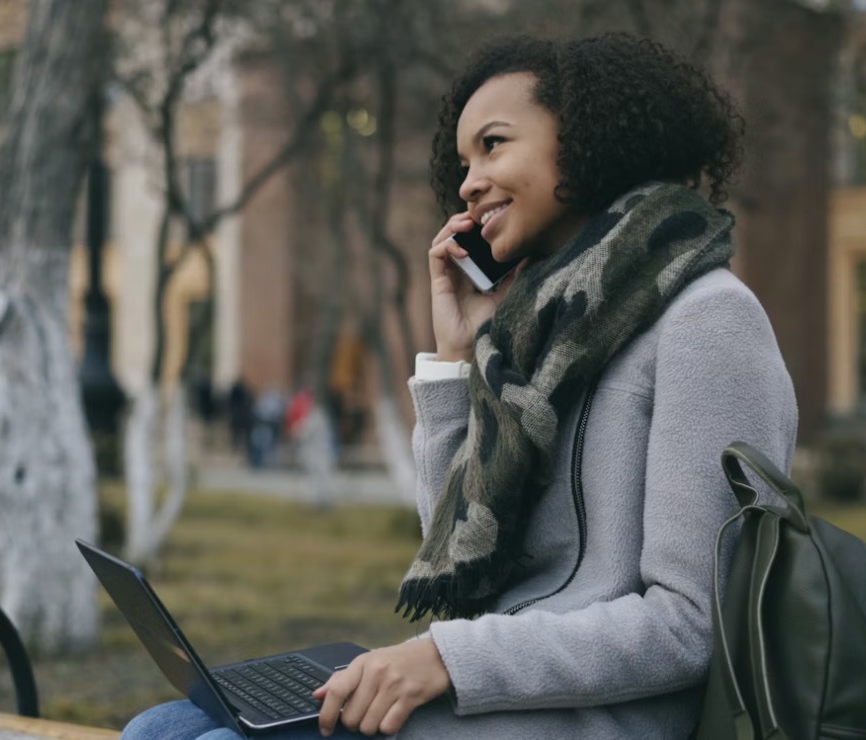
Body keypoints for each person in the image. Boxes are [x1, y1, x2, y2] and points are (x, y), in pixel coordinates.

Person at [121, 32, 798, 739]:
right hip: (508, 693)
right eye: (463, 160)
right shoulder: (544, 332)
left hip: (605, 719)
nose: (469, 182)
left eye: (494, 145)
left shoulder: (709, 320)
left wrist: (446, 657)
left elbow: (691, 626)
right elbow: (465, 567)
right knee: (160, 728)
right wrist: (456, 355)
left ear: (590, 140)